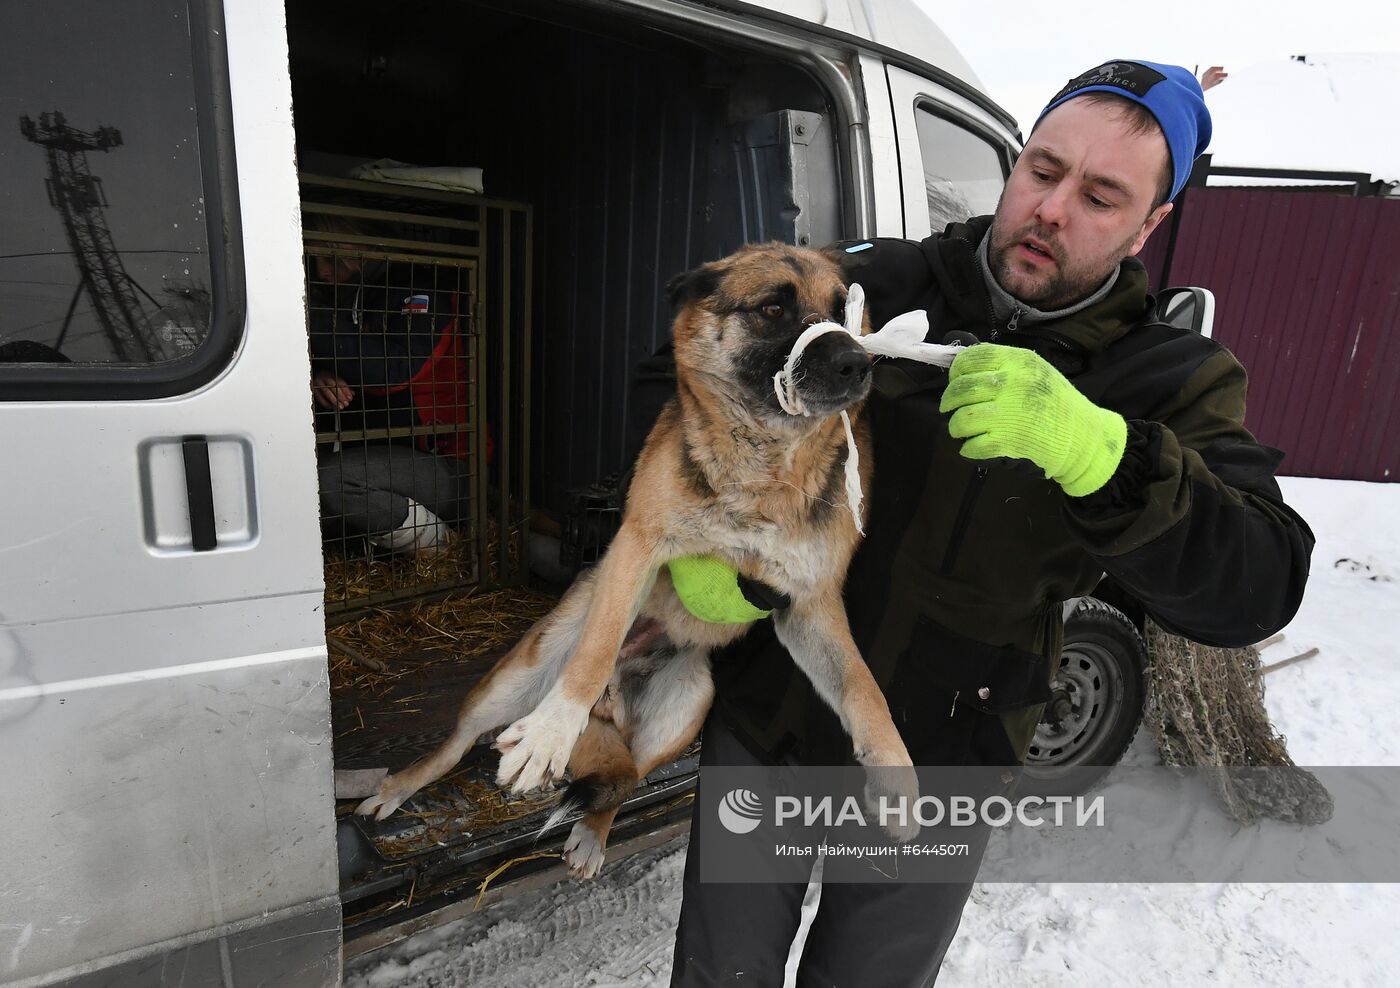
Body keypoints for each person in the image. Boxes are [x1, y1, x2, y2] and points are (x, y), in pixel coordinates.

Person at [625, 60, 1314, 986]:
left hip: (947, 752)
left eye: (1100, 196)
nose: (1051, 210)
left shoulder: (1170, 377)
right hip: (776, 711)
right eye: (1043, 169)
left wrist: (1101, 455)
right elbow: (667, 374)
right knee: (720, 971)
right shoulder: (873, 283)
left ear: (1150, 225)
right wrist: (704, 548)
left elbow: (1259, 583)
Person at [303, 213, 474, 555]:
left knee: (332, 481)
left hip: (447, 461)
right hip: (386, 457)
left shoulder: (418, 288)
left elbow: (397, 368)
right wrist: (320, 373)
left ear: (358, 246)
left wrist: (311, 316)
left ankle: (444, 551)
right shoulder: (355, 295)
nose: (321, 272)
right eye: (316, 260)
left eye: (330, 259)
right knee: (306, 495)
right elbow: (352, 355)